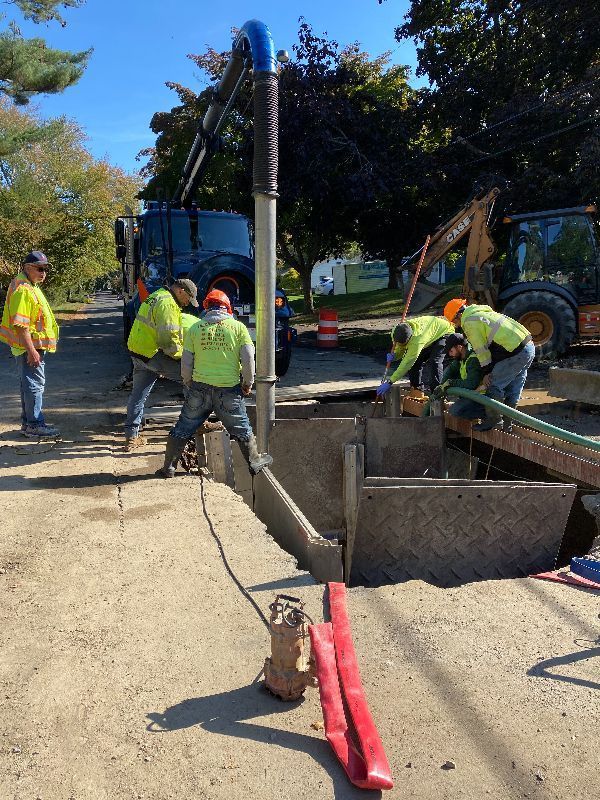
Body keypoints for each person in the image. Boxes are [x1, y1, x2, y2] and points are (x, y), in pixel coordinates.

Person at [157, 289, 272, 478]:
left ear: (206, 308)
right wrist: (248, 383)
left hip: (199, 388)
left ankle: (168, 467)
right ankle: (254, 462)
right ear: (227, 308)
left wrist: (188, 382)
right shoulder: (238, 328)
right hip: (228, 390)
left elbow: (186, 362)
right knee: (241, 427)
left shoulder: (195, 329)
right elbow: (249, 359)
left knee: (183, 427)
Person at [124, 278, 199, 450]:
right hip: (153, 353)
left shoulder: (157, 295)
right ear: (180, 291)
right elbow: (168, 341)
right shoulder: (168, 304)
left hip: (138, 352)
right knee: (192, 380)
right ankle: (193, 426)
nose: (188, 303)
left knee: (138, 395)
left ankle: (131, 436)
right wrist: (183, 359)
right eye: (188, 298)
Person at [443, 298, 535, 431]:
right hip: (529, 347)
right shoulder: (481, 312)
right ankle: (508, 425)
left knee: (493, 385)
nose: (457, 325)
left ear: (458, 315)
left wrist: (487, 373)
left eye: (455, 321)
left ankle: (495, 421)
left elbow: (482, 351)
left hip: (515, 352)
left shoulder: (469, 322)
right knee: (513, 389)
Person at [0, 251, 60, 438]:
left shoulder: (28, 285)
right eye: (39, 268)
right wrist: (32, 351)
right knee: (34, 385)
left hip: (30, 346)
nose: (43, 272)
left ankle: (28, 423)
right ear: (27, 268)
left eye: (46, 269)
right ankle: (35, 424)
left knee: (28, 384)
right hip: (30, 347)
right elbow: (20, 326)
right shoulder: (24, 289)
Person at [376, 315, 454, 399]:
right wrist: (395, 355)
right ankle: (417, 391)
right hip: (429, 333)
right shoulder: (396, 331)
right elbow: (400, 347)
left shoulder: (417, 341)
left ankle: (437, 394)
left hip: (444, 332)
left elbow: (406, 363)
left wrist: (390, 382)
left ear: (409, 339)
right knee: (416, 363)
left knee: (434, 361)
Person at [430, 332, 485, 420]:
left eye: (451, 351)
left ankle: (485, 414)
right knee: (455, 409)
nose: (450, 354)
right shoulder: (461, 357)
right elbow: (451, 370)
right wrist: (441, 385)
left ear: (459, 347)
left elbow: (471, 384)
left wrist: (451, 383)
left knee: (455, 411)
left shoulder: (473, 360)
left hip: (481, 396)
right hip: (471, 394)